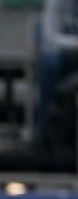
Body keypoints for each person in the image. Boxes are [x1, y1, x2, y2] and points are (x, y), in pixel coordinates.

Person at [35, 0, 78, 142]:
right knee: (50, 59)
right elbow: (49, 38)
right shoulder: (56, 2)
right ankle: (44, 121)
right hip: (64, 55)